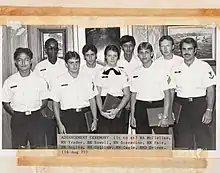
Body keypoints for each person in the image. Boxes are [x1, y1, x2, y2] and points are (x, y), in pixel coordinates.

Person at [171, 37, 216, 149]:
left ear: (195, 50)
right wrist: (170, 110)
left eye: (190, 49)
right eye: (184, 49)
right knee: (182, 140)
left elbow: (210, 89)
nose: (186, 52)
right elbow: (171, 91)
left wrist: (209, 110)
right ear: (180, 51)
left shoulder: (204, 66)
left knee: (203, 139)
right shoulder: (175, 68)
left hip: (199, 105)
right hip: (181, 106)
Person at [2, 47, 48, 149]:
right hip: (18, 119)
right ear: (15, 62)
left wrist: (35, 110)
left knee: (38, 149)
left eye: (26, 59)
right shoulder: (10, 81)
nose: (23, 63)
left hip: (36, 118)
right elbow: (5, 102)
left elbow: (44, 101)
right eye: (20, 60)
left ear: (31, 61)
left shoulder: (40, 80)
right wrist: (16, 114)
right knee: (19, 149)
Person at [50, 51, 98, 134]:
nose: (75, 66)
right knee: (70, 146)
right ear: (66, 64)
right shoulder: (59, 80)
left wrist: (94, 119)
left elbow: (92, 100)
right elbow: (55, 103)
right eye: (71, 63)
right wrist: (59, 123)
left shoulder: (87, 78)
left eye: (77, 62)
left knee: (87, 145)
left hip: (85, 116)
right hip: (68, 117)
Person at [130, 42, 171, 134]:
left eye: (147, 52)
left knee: (162, 141)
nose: (144, 55)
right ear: (138, 55)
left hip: (157, 106)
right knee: (142, 142)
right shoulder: (135, 72)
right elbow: (133, 95)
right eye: (141, 52)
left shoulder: (161, 70)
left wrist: (165, 116)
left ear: (152, 53)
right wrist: (132, 115)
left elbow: (167, 94)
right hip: (141, 108)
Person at [34, 38, 67, 148]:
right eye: (50, 49)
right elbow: (36, 88)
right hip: (47, 105)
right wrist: (43, 107)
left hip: (63, 104)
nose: (53, 51)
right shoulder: (40, 67)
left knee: (65, 136)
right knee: (51, 139)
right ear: (45, 50)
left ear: (58, 50)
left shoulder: (64, 64)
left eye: (55, 49)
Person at [94, 45, 130, 134]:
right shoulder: (99, 73)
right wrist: (102, 111)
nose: (112, 58)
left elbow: (127, 94)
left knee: (119, 139)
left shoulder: (123, 73)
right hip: (103, 106)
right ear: (105, 57)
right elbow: (97, 95)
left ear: (118, 57)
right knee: (104, 139)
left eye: (115, 56)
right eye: (109, 55)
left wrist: (117, 109)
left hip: (119, 106)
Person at [117, 35, 142, 133]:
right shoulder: (117, 63)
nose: (128, 48)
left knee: (137, 127)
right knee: (122, 129)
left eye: (130, 46)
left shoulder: (140, 62)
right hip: (122, 99)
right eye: (125, 46)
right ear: (121, 47)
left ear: (134, 47)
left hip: (137, 98)